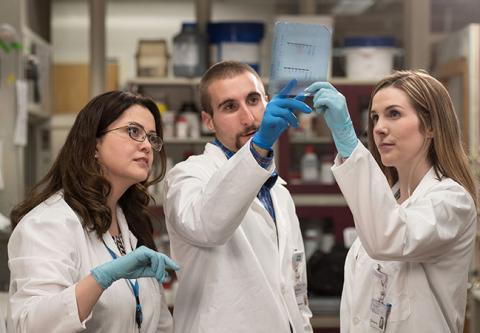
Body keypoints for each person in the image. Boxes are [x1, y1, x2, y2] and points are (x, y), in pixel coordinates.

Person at [305, 70, 478, 332]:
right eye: (375, 117)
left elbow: (389, 237)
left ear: (430, 126)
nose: (379, 128)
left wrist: (350, 145)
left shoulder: (451, 201)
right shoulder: (390, 198)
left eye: (393, 114)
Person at [7, 91, 179, 333]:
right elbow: (29, 325)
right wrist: (100, 279)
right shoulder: (49, 223)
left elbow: (160, 323)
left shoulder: (133, 223)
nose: (147, 146)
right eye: (133, 131)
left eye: (152, 137)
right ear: (94, 144)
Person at [163, 61, 313, 333]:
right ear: (208, 120)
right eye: (230, 107)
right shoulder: (187, 176)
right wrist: (259, 146)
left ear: (267, 103)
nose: (248, 118)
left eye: (254, 100)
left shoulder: (279, 192)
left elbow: (294, 282)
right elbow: (206, 225)